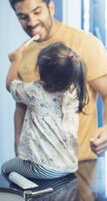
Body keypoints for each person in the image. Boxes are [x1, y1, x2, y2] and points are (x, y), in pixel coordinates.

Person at [8, 0, 107, 161]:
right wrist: (17, 144)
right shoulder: (21, 54)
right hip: (39, 165)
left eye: (37, 12)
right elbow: (21, 105)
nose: (32, 22)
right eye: (23, 17)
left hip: (81, 162)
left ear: (50, 8)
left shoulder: (86, 43)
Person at [2, 42, 87, 179]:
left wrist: (15, 61)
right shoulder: (74, 92)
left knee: (5, 168)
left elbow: (9, 84)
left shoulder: (35, 92)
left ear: (42, 71)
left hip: (41, 169)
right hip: (69, 166)